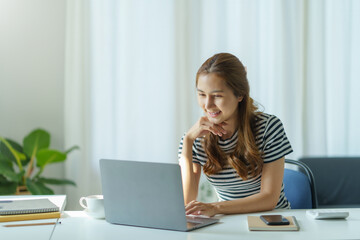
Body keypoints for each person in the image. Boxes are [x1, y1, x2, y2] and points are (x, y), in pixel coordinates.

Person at [178, 53, 293, 217]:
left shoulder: (269, 128)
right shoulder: (196, 137)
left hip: (272, 222)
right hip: (230, 222)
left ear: (239, 94)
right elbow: (186, 202)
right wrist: (188, 142)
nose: (208, 105)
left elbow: (269, 199)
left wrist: (216, 208)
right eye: (202, 94)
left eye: (217, 95)